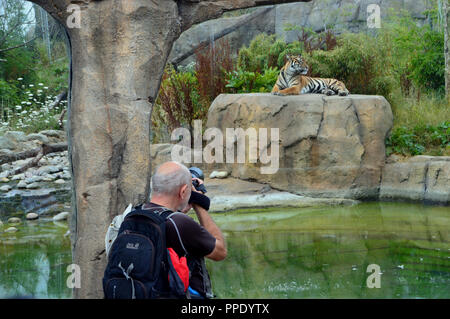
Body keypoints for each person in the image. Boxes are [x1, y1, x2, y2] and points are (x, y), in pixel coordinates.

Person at [143, 161, 227, 299]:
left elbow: (167, 220)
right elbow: (220, 251)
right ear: (183, 191)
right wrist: (198, 202)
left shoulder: (135, 214)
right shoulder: (180, 223)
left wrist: (181, 205)